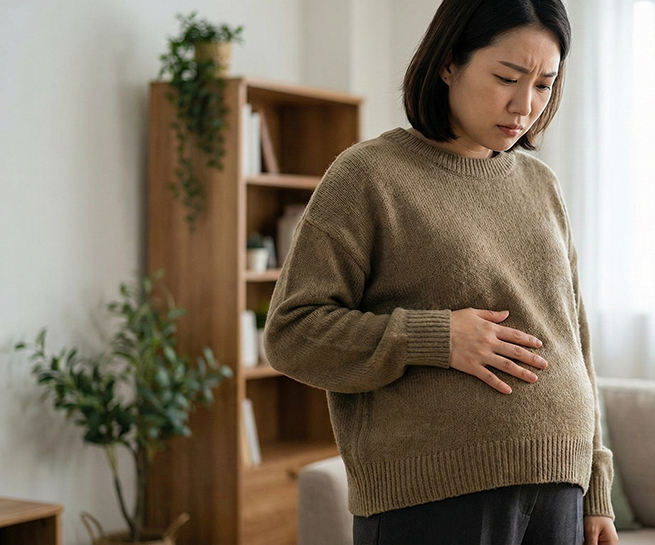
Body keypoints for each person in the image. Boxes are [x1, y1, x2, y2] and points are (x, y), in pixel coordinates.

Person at [264, 0, 618, 543]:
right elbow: (293, 335)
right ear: (449, 63)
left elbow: (575, 339)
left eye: (545, 85)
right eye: (506, 77)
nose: (524, 105)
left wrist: (596, 488)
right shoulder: (369, 176)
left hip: (559, 488)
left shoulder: (541, 185)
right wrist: (435, 337)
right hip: (434, 494)